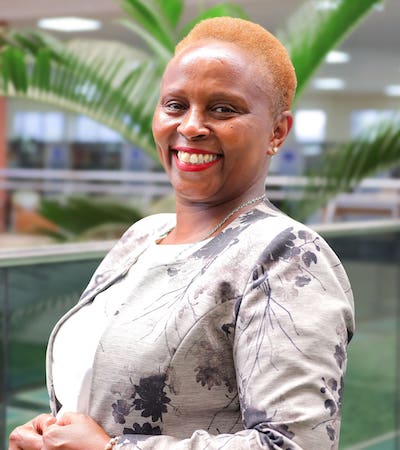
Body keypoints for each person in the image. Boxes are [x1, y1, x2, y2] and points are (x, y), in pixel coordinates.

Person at [9, 16, 354, 450]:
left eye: (223, 109)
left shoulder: (287, 257)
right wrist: (51, 434)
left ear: (277, 132)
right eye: (175, 105)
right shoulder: (143, 236)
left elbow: (297, 444)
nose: (190, 126)